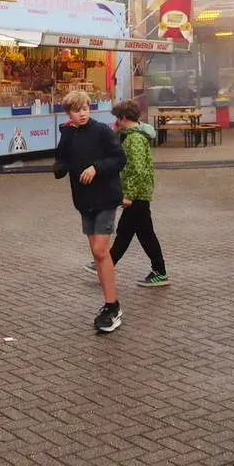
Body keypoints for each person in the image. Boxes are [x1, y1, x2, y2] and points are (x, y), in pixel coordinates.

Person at [54, 89, 128, 333]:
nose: (82, 114)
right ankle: (110, 305)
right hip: (84, 200)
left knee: (100, 250)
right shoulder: (67, 135)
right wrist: (59, 168)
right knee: (98, 256)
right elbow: (61, 159)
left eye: (85, 109)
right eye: (77, 111)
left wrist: (96, 167)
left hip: (106, 197)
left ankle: (112, 304)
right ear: (69, 114)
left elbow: (119, 159)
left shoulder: (103, 131)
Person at [86, 100, 168, 287]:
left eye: (117, 119)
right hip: (140, 193)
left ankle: (109, 264)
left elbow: (137, 170)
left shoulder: (135, 139)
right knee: (137, 232)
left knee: (132, 232)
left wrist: (129, 195)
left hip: (137, 195)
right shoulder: (131, 135)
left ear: (123, 118)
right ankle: (109, 264)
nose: (116, 122)